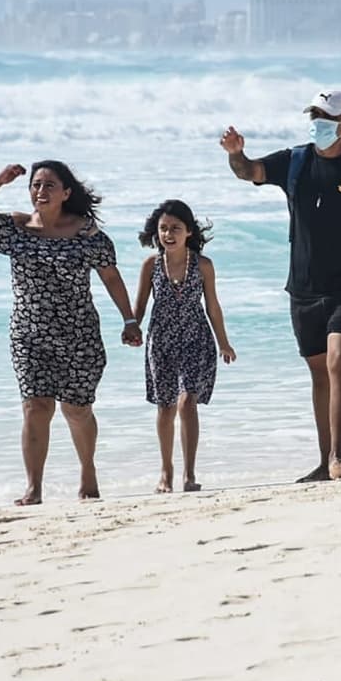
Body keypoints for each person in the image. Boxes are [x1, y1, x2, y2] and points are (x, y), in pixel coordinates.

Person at [220, 90, 341, 482]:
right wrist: (235, 153)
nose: (318, 122)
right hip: (303, 286)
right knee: (320, 374)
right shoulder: (295, 161)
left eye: (326, 116)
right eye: (315, 115)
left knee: (340, 364)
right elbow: (249, 171)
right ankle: (325, 462)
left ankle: (339, 456)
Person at [0, 161, 139, 505]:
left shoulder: (87, 235)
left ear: (66, 193)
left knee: (77, 409)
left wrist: (129, 321)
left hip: (79, 333)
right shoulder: (16, 228)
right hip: (29, 333)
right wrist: (0, 179)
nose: (40, 191)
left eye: (49, 185)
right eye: (35, 185)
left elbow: (111, 278)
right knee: (35, 406)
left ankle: (87, 471)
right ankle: (34, 488)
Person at [130, 200, 236, 493]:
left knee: (187, 401)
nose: (168, 234)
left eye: (175, 228)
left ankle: (189, 474)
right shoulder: (151, 265)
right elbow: (139, 306)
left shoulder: (203, 265)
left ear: (188, 231)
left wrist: (223, 343)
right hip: (161, 340)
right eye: (163, 228)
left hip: (195, 338)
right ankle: (166, 471)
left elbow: (213, 306)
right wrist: (132, 327)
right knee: (165, 407)